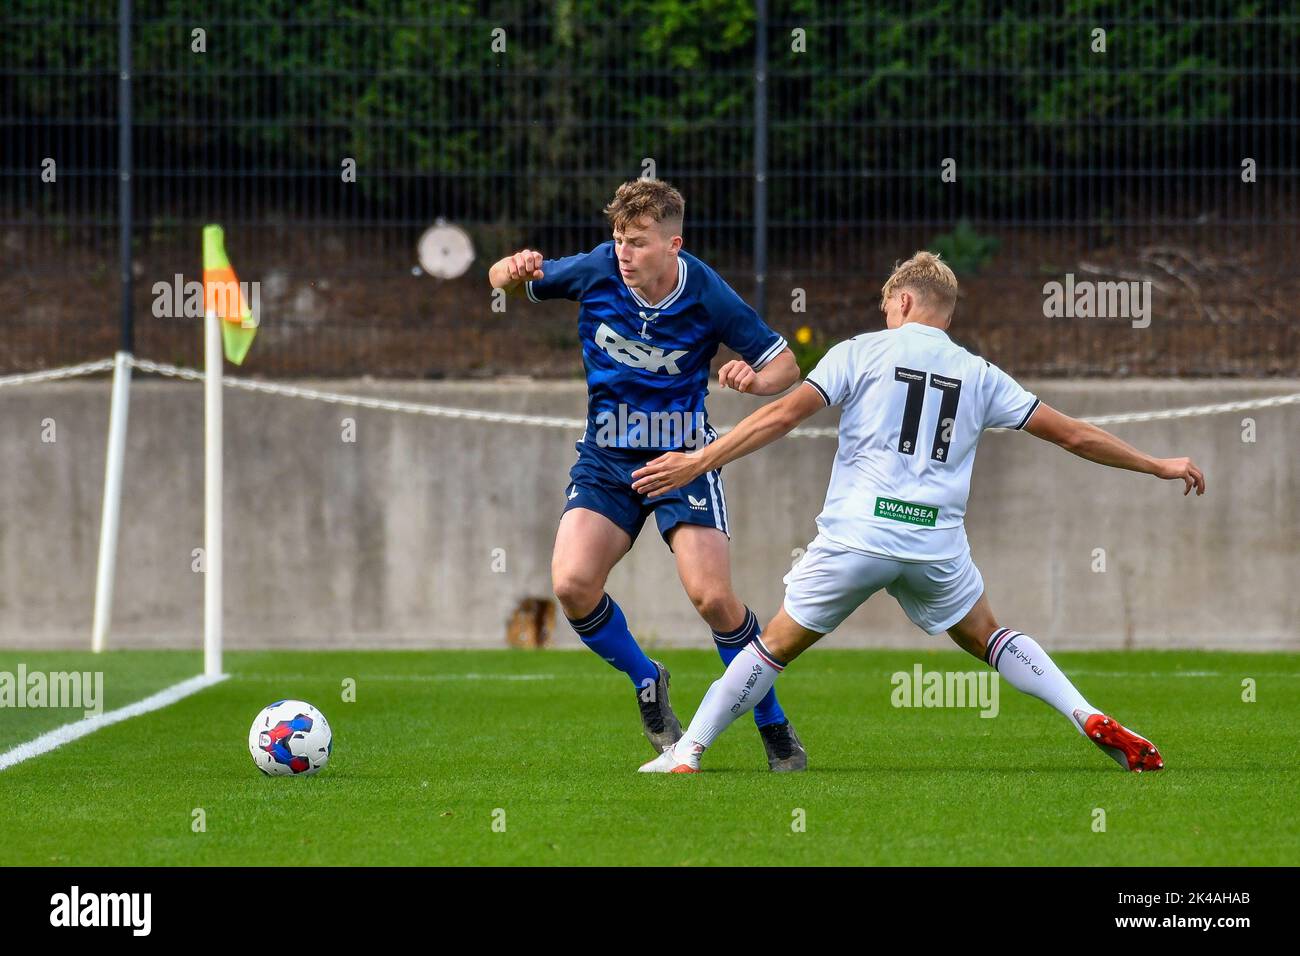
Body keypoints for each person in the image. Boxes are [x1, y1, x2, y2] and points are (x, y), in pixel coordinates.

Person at [633, 251, 1205, 774]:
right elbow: (1075, 436)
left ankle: (689, 751)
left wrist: (698, 461)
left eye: (887, 306)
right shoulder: (979, 374)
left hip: (858, 537)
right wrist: (1157, 464)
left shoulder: (858, 352)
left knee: (772, 647)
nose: (885, 315)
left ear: (903, 301)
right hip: (935, 544)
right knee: (989, 635)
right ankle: (1083, 713)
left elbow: (781, 417)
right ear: (947, 315)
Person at [488, 178, 809, 770]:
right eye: (618, 240)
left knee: (713, 598)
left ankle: (774, 723)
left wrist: (754, 380)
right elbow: (501, 281)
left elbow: (785, 365)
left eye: (637, 243)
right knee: (571, 586)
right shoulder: (596, 268)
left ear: (674, 245)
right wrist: (512, 267)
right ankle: (646, 679)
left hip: (681, 459)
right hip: (607, 459)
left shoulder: (707, 292)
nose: (623, 254)